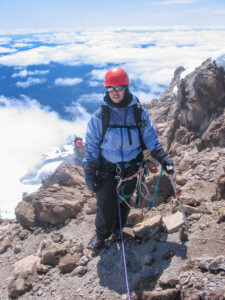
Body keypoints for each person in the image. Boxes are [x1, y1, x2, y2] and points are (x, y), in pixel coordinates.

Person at [82, 67, 174, 251]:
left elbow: (149, 137)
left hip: (131, 169)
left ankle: (118, 230)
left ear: (126, 88)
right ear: (106, 90)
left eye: (119, 87)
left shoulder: (139, 112)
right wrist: (90, 171)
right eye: (111, 88)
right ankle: (101, 235)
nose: (115, 92)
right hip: (107, 169)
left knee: (124, 203)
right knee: (106, 206)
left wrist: (162, 157)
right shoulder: (101, 116)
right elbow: (91, 145)